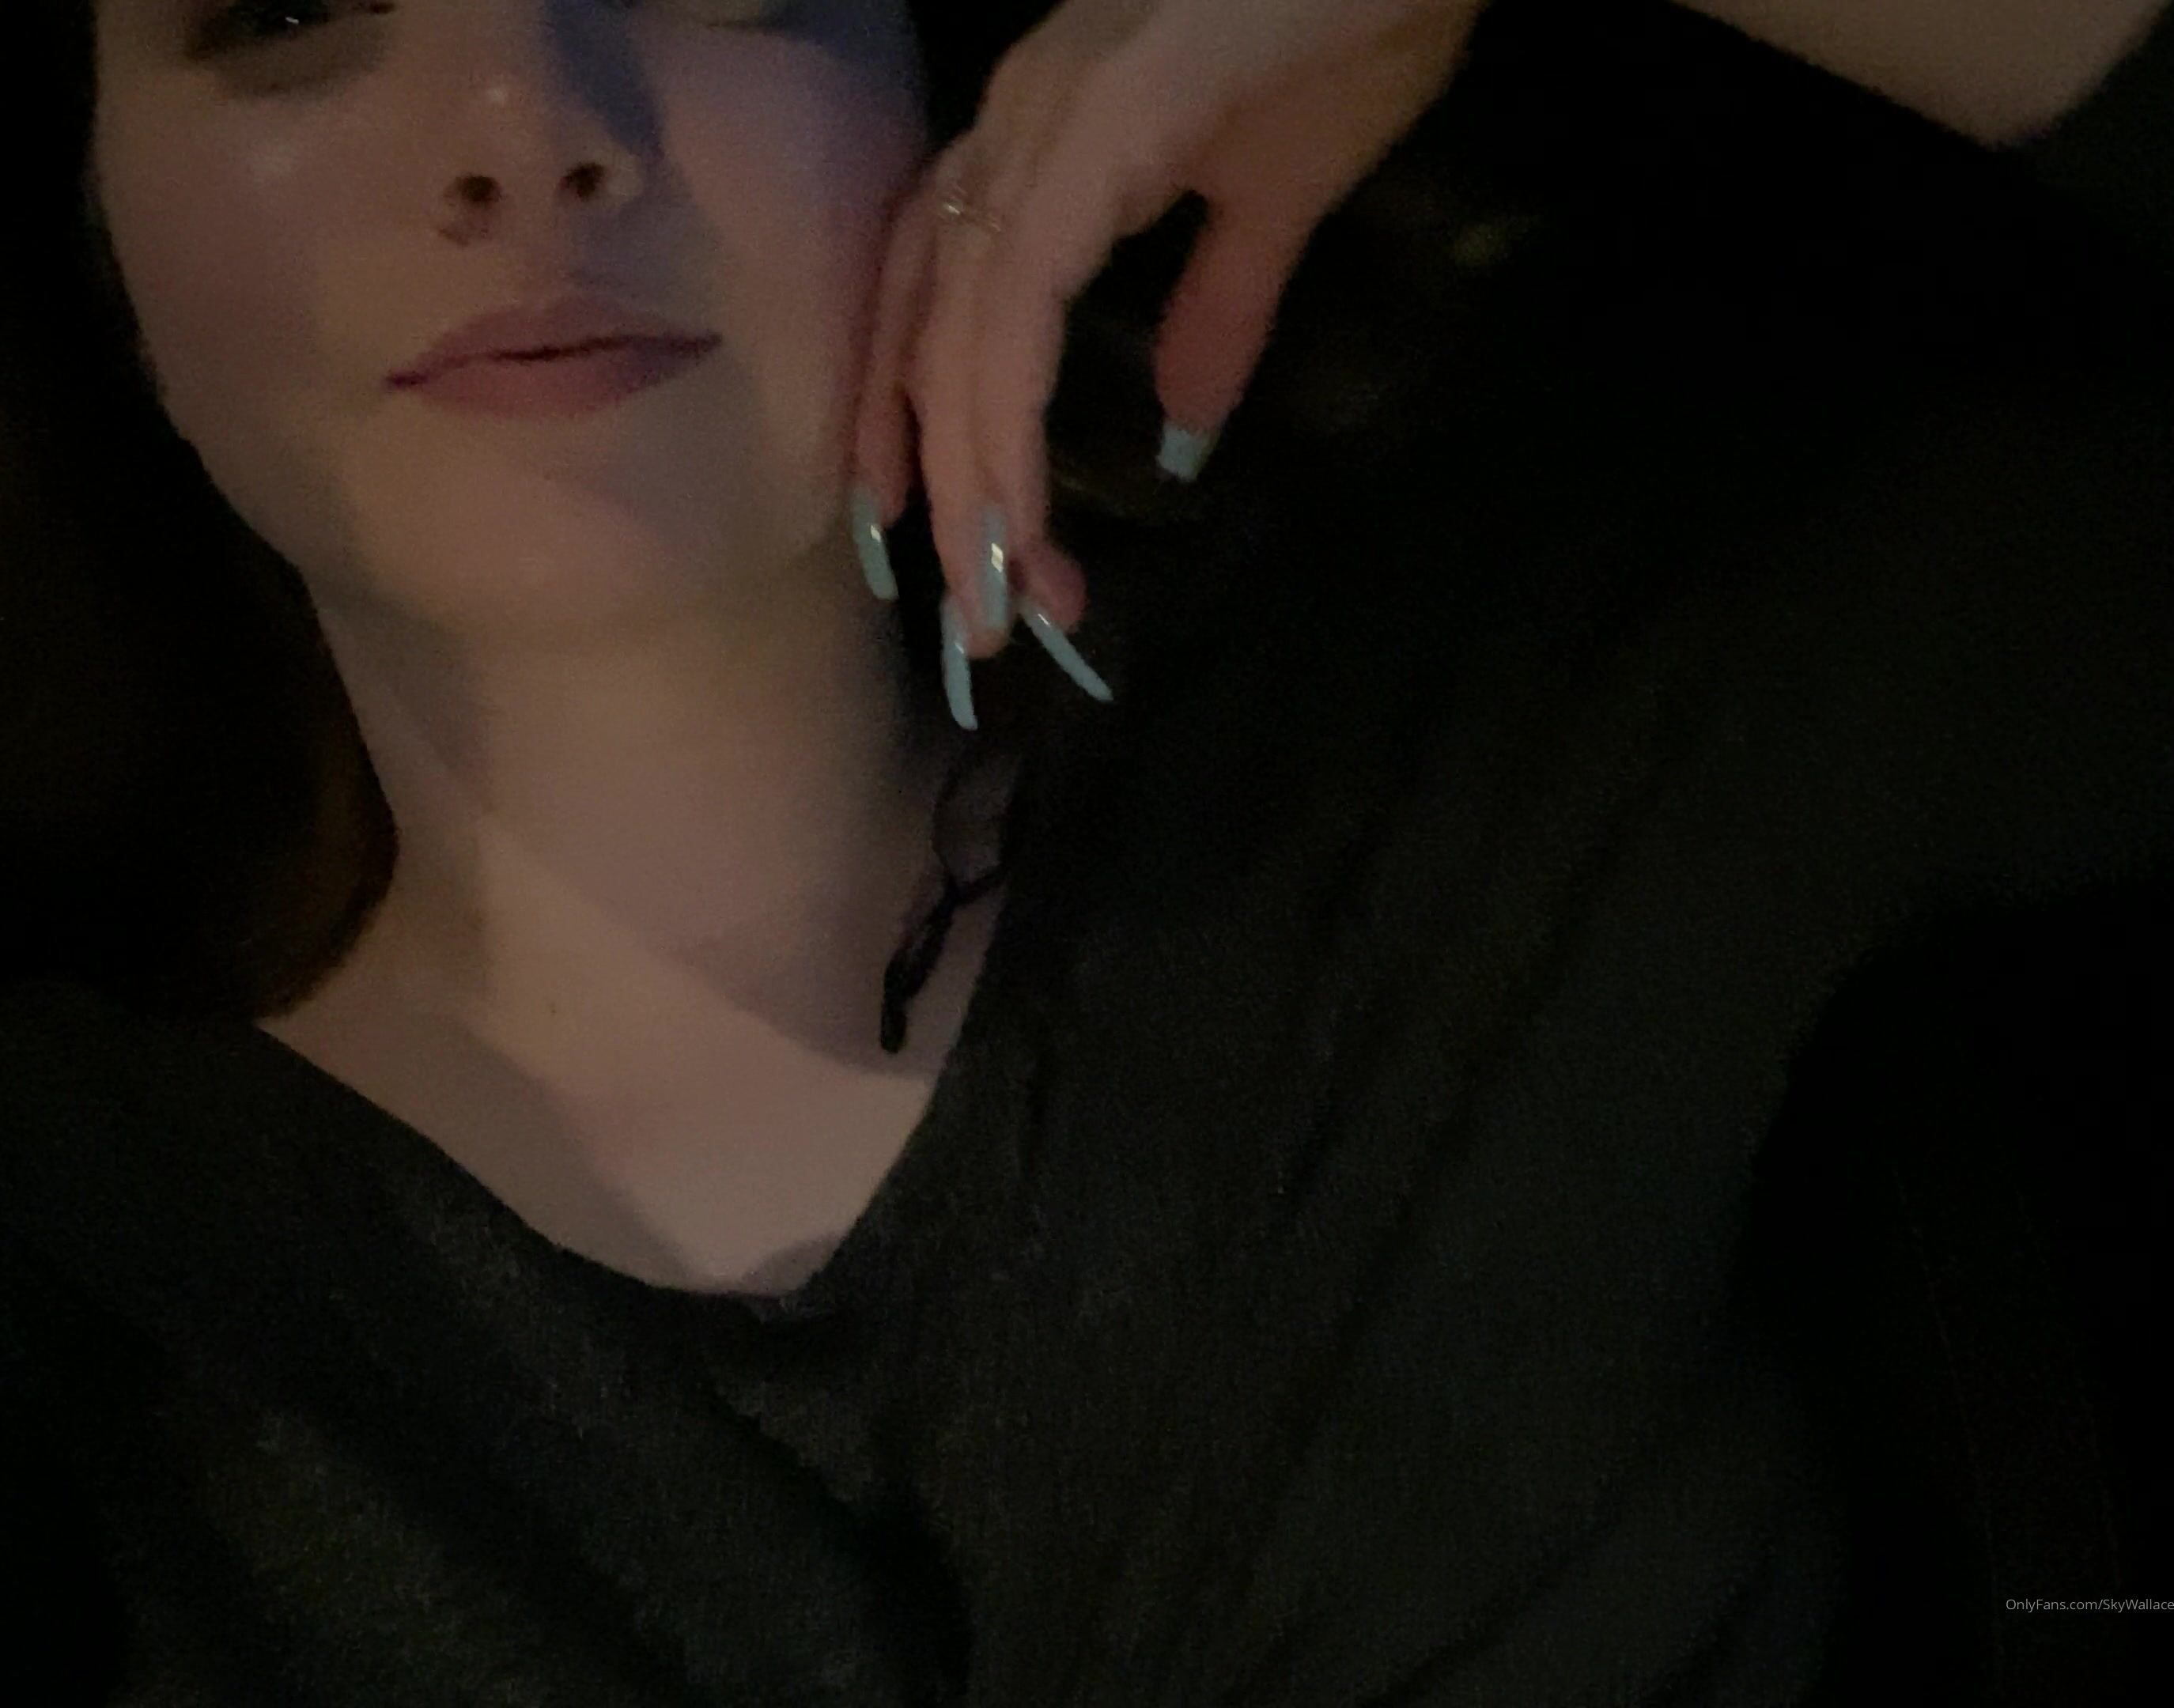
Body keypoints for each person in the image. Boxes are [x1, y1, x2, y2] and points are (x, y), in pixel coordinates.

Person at [1, 1, 2168, 1702]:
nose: (519, 117)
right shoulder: (85, 1246)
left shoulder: (1529, 731)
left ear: (952, 77)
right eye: (290, 1)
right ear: (93, 224)